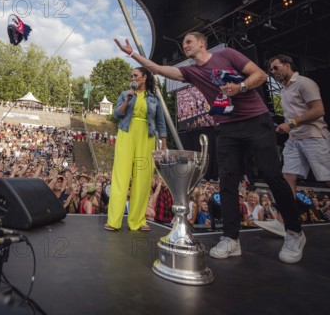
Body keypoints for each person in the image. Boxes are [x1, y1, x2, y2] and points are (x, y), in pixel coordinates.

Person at [115, 32, 305, 263]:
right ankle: (230, 239)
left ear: (202, 43)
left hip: (256, 120)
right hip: (226, 127)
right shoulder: (191, 72)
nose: (184, 45)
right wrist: (132, 53)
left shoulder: (226, 54)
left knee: (272, 175)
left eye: (188, 41)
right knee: (226, 181)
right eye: (183, 43)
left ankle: (294, 232)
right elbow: (159, 69)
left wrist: (240, 87)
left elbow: (260, 74)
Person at [104, 67, 167, 232]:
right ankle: (114, 221)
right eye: (131, 76)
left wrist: (164, 144)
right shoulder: (126, 94)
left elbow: (160, 122)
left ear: (144, 77)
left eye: (136, 75)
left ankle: (138, 221)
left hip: (147, 138)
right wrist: (127, 100)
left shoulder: (154, 98)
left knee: (143, 179)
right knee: (121, 177)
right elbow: (117, 115)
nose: (133, 78)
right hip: (126, 134)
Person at [268, 54, 330, 193]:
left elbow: (318, 110)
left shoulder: (304, 83)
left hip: (313, 136)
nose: (273, 72)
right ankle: (290, 214)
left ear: (287, 66)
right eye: (271, 70)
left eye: (275, 68)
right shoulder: (284, 90)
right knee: (288, 177)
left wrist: (291, 124)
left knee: (328, 177)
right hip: (294, 139)